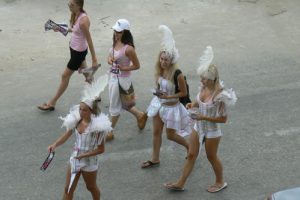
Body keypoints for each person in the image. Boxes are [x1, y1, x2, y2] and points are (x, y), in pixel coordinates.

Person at [164, 46, 237, 193]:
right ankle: (181, 183)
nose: (201, 80)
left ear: (211, 79)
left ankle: (220, 181)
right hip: (198, 127)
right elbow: (199, 101)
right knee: (191, 154)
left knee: (211, 157)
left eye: (204, 78)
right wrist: (193, 104)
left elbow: (223, 119)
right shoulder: (203, 87)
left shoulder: (220, 96)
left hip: (212, 131)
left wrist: (202, 116)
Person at [47, 75, 111, 200]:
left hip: (89, 161)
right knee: (68, 188)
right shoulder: (76, 121)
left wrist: (84, 155)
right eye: (80, 109)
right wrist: (54, 145)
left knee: (91, 187)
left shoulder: (97, 127)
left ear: (92, 111)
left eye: (84, 110)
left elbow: (101, 149)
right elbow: (66, 135)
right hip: (75, 158)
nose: (81, 112)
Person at [141, 25, 191, 168]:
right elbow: (159, 86)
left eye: (166, 60)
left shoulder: (177, 74)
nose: (163, 62)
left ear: (171, 61)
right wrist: (157, 92)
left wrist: (168, 97)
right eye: (161, 59)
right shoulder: (160, 70)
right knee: (156, 132)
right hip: (158, 104)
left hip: (171, 107)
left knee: (170, 135)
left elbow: (183, 93)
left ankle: (189, 147)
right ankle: (155, 159)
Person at [38, 0, 99, 111]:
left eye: (72, 5)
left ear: (79, 6)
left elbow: (89, 40)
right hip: (74, 49)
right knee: (86, 73)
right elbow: (75, 30)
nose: (69, 7)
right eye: (69, 5)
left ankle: (52, 102)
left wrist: (94, 59)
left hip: (78, 53)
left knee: (65, 76)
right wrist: (60, 29)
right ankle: (96, 94)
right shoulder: (75, 14)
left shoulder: (83, 21)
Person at [106, 19, 147, 141]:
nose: (115, 33)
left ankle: (110, 131)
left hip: (122, 80)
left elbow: (137, 65)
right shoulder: (116, 41)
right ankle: (140, 115)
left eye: (118, 31)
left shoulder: (129, 49)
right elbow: (110, 55)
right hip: (113, 77)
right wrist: (110, 60)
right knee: (124, 103)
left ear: (125, 32)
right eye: (115, 31)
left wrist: (123, 68)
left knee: (115, 106)